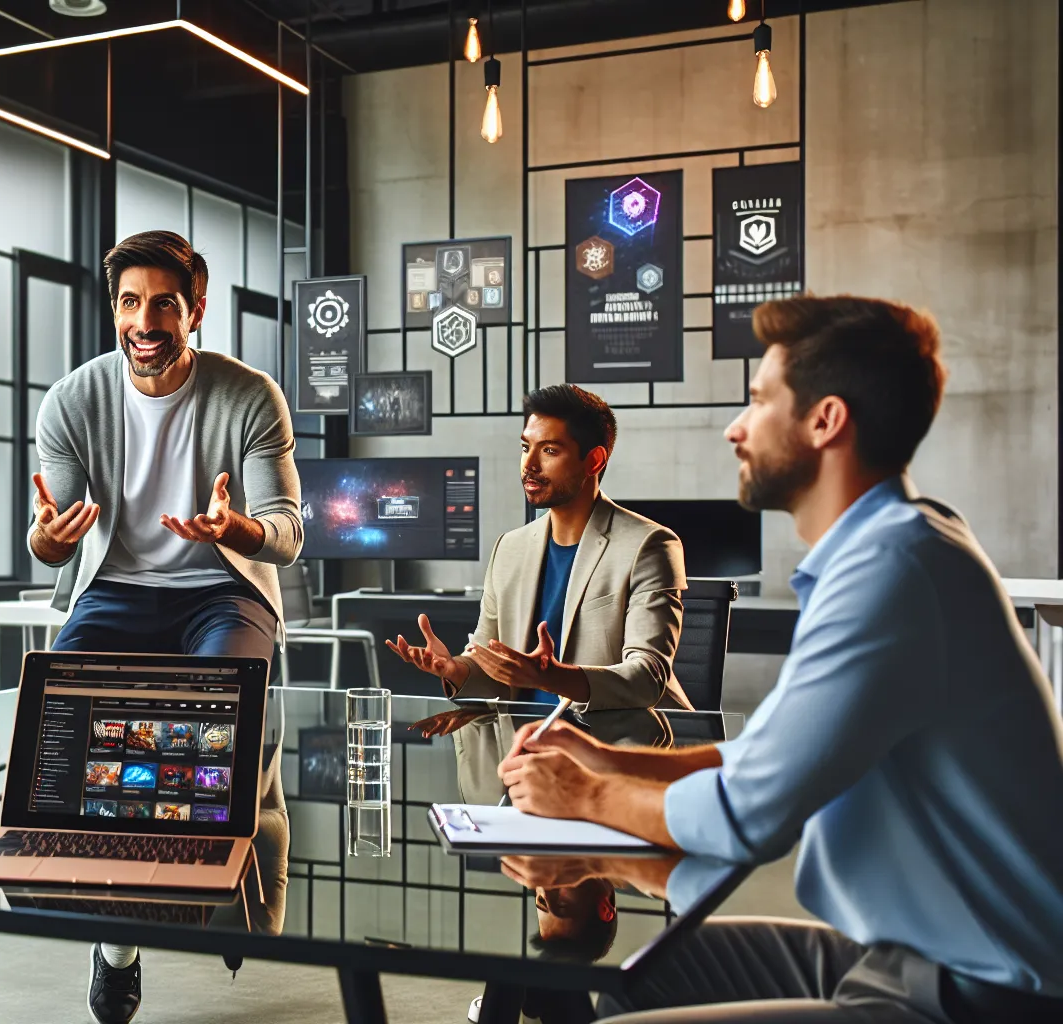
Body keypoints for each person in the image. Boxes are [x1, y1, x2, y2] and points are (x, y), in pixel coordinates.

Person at [497, 297, 1063, 1022]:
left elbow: (745, 818)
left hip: (976, 992)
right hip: (892, 952)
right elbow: (755, 766)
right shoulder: (883, 552)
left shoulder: (893, 569)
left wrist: (582, 801)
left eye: (760, 400)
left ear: (825, 421)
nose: (736, 426)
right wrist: (600, 766)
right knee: (632, 983)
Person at [28, 230, 302, 1024]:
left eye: (163, 304)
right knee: (64, 721)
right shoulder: (74, 400)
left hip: (219, 588)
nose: (144, 321)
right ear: (114, 309)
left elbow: (287, 527)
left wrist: (238, 531)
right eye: (129, 303)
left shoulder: (250, 394)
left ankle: (236, 855)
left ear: (196, 310)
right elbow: (49, 530)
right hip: (114, 586)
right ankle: (119, 943)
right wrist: (48, 541)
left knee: (218, 711)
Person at [388, 385, 689, 748]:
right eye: (525, 447)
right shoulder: (509, 548)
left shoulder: (650, 546)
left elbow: (647, 677)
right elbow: (491, 665)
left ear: (594, 461)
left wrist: (553, 677)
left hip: (616, 750)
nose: (529, 464)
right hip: (523, 746)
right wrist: (458, 670)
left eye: (549, 450)